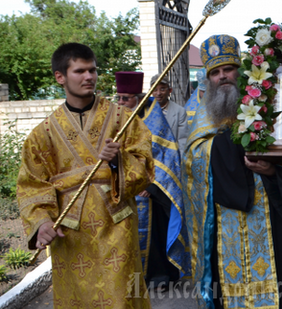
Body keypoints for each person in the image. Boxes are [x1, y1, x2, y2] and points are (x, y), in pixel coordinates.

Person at [182, 34, 282, 309]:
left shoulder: (270, 105)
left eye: (228, 69)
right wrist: (231, 144)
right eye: (215, 73)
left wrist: (273, 170)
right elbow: (194, 164)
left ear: (241, 71)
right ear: (208, 78)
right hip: (226, 224)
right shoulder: (201, 117)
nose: (223, 77)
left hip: (274, 216)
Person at [17, 43, 154, 308]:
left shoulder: (122, 119)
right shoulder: (42, 134)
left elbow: (145, 166)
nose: (89, 77)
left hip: (117, 228)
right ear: (60, 77)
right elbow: (32, 185)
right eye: (80, 71)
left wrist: (118, 161)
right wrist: (42, 222)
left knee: (122, 299)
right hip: (70, 234)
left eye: (92, 70)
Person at [115, 71, 189, 288]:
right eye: (118, 98)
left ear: (138, 97)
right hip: (123, 188)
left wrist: (149, 185)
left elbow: (165, 156)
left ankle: (159, 277)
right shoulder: (114, 117)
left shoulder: (153, 118)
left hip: (150, 191)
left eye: (126, 98)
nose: (121, 103)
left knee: (154, 235)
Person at [151, 76, 188, 158]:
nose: (158, 93)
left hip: (171, 159)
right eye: (155, 89)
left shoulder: (179, 111)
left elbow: (182, 140)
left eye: (162, 89)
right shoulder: (146, 111)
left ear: (169, 90)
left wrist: (179, 162)